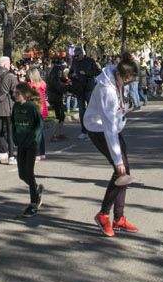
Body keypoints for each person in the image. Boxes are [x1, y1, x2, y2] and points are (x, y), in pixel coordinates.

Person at [83, 56, 140, 237]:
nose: (130, 83)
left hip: (112, 127)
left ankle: (119, 218)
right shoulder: (107, 90)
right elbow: (108, 128)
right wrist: (117, 159)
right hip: (98, 128)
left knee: (126, 171)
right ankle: (103, 215)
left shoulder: (116, 76)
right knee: (120, 170)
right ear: (125, 76)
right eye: (130, 79)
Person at [11, 82, 44, 216]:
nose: (15, 95)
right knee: (21, 174)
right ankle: (36, 188)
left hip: (31, 145)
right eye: (14, 93)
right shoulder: (15, 106)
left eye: (17, 93)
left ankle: (33, 203)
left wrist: (34, 139)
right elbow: (13, 123)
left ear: (25, 94)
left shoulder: (31, 107)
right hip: (21, 144)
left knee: (29, 173)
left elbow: (39, 125)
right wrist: (15, 137)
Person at [47, 59, 71, 140]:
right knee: (59, 116)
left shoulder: (54, 74)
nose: (62, 71)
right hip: (55, 98)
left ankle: (59, 133)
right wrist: (67, 86)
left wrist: (66, 82)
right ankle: (54, 134)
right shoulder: (54, 75)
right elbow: (58, 87)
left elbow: (61, 80)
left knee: (61, 116)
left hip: (55, 97)